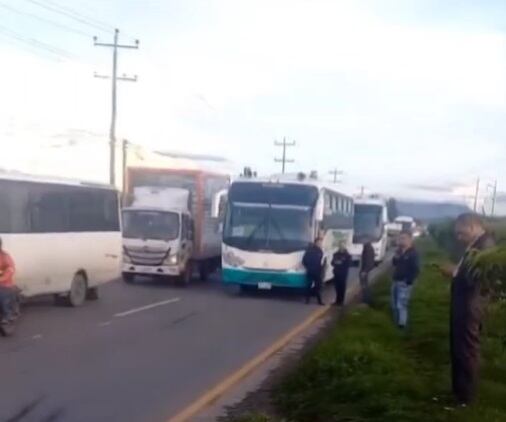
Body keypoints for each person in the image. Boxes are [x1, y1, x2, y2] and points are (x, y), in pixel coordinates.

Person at [438, 213, 495, 406]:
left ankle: (465, 397)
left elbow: (475, 279)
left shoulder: (485, 247)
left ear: (471, 226)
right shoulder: (477, 245)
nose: (458, 238)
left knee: (467, 349)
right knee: (459, 347)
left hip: (470, 305)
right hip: (464, 303)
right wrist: (456, 272)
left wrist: (454, 274)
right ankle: (459, 391)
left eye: (461, 233)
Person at [391, 231, 420, 329]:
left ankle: (402, 326)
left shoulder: (413, 253)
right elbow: (395, 263)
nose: (401, 240)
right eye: (400, 238)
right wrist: (396, 256)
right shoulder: (400, 251)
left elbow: (416, 269)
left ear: (410, 240)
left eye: (403, 238)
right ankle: (396, 324)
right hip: (395, 281)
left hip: (404, 283)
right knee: (394, 305)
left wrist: (408, 281)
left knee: (401, 305)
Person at [302, 237, 325, 305]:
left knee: (318, 286)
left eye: (321, 243)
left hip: (317, 271)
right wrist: (308, 267)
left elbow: (320, 261)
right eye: (319, 243)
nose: (320, 244)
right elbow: (304, 261)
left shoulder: (320, 251)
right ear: (315, 243)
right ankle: (307, 300)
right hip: (311, 271)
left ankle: (319, 301)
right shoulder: (309, 250)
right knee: (308, 286)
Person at [0, 237, 16, 324]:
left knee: (2, 298)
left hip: (4, 284)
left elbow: (10, 269)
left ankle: (8, 315)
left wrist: (2, 278)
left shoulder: (4, 256)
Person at [331, 241, 352, 306]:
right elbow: (332, 262)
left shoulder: (347, 255)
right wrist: (336, 263)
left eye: (343, 245)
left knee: (342, 288)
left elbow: (349, 264)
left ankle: (341, 302)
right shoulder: (335, 254)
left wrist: (340, 263)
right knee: (336, 288)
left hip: (343, 274)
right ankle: (337, 301)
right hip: (336, 273)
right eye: (340, 245)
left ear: (345, 246)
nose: (341, 247)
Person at [359, 239, 375, 304]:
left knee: (365, 286)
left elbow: (368, 261)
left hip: (365, 270)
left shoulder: (368, 248)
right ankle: (366, 299)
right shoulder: (368, 247)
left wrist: (364, 271)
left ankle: (366, 300)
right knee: (365, 285)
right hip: (366, 269)